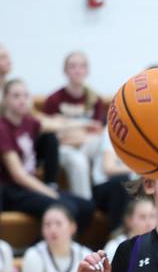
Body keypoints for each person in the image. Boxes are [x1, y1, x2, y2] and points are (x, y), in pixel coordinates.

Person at [0, 79, 95, 234]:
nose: (22, 100)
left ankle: (69, 246)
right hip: (13, 191)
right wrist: (49, 192)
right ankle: (42, 249)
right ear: (5, 99)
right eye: (16, 96)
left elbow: (56, 124)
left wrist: (85, 124)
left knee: (87, 207)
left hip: (31, 187)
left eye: (25, 95)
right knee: (66, 208)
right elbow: (18, 175)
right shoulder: (2, 127)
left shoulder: (28, 122)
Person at [42, 51, 105, 200]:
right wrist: (82, 128)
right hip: (64, 148)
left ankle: (104, 190)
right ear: (65, 71)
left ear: (87, 71)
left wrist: (68, 126)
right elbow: (51, 136)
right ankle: (85, 203)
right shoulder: (54, 99)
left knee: (104, 144)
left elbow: (97, 132)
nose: (77, 70)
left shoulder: (95, 99)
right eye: (72, 66)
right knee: (78, 161)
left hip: (86, 144)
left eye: (82, 66)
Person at [91, 129, 134, 232]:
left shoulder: (148, 132)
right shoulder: (114, 127)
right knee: (122, 182)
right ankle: (117, 235)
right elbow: (108, 168)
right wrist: (142, 169)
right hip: (104, 188)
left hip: (131, 187)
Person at [104, 197, 157, 263]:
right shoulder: (115, 247)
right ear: (129, 220)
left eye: (152, 216)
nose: (149, 223)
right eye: (142, 217)